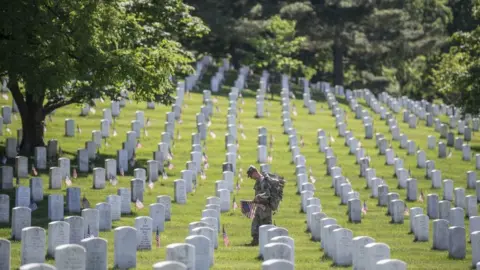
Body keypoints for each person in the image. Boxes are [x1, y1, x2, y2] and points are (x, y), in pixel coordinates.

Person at [247, 165, 272, 246]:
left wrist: (258, 197)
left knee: (265, 225)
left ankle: (268, 242)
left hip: (265, 207)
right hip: (259, 207)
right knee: (255, 223)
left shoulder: (263, 181)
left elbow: (267, 194)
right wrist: (254, 200)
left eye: (251, 175)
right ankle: (255, 241)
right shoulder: (258, 181)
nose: (250, 177)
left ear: (255, 172)